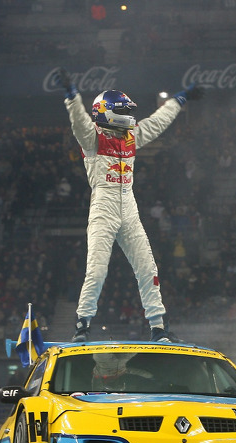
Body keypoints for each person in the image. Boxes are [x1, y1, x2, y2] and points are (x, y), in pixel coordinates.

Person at [56, 67, 203, 343]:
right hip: (104, 204)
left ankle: (159, 328)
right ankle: (82, 325)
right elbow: (78, 121)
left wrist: (179, 100)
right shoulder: (93, 138)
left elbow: (158, 121)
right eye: (123, 111)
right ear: (108, 113)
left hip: (128, 203)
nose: (128, 116)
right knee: (97, 268)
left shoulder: (130, 136)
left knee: (147, 268)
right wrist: (72, 96)